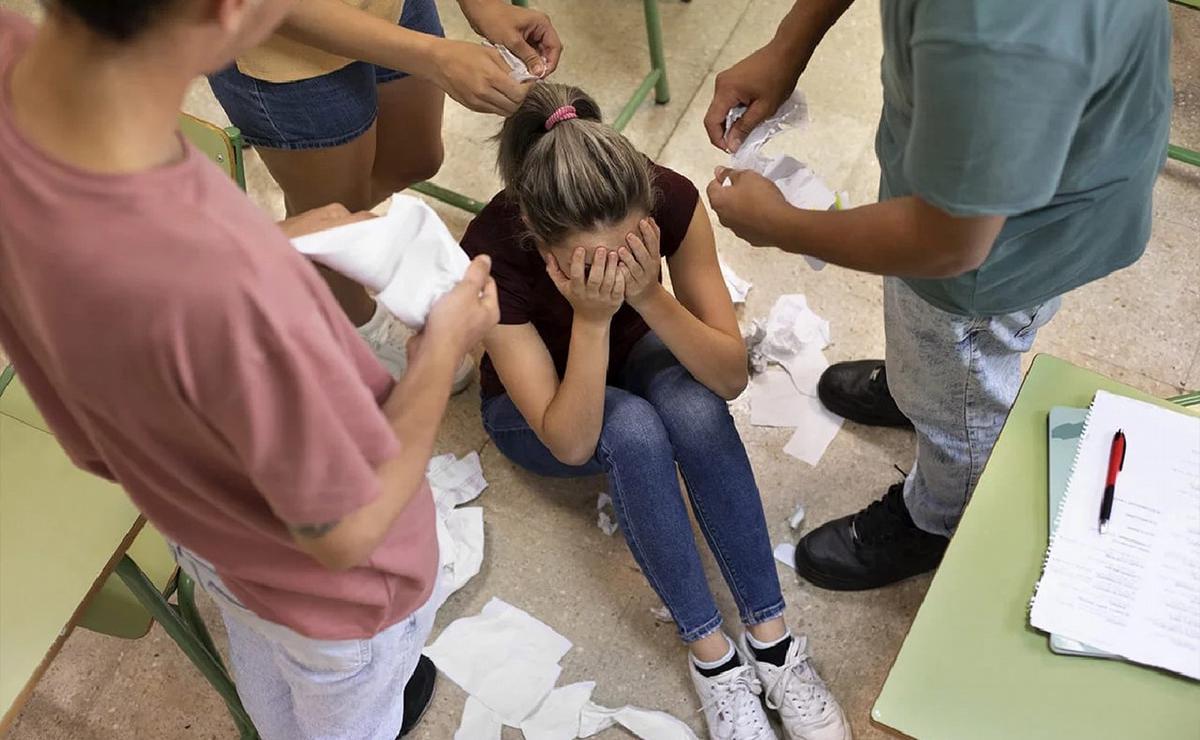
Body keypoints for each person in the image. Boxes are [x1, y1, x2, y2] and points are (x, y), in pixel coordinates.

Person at [0, 2, 499, 738]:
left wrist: (279, 238)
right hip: (332, 602)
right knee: (343, 709)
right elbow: (345, 531)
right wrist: (441, 350)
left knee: (265, 668)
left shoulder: (16, 62)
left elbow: (126, 276)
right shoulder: (231, 297)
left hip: (196, 522)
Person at [704, 0, 1171, 590]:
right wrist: (788, 44)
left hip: (1002, 248)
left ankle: (941, 515)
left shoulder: (997, 28)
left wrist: (782, 226)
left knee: (962, 384)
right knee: (931, 348)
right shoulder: (986, 41)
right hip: (981, 192)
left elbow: (948, 243)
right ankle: (922, 384)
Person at [460, 83, 851, 740]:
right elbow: (572, 442)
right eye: (588, 263)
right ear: (538, 238)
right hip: (540, 413)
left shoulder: (667, 196)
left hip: (635, 346)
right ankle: (712, 658)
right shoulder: (493, 253)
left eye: (629, 251)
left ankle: (773, 640)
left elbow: (728, 376)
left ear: (646, 210)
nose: (611, 272)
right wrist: (590, 318)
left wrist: (648, 297)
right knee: (633, 431)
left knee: (692, 405)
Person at [209, 0, 561, 385]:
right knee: (335, 224)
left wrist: (484, 6)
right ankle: (348, 319)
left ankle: (303, 243)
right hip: (280, 44)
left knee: (415, 160)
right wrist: (435, 57)